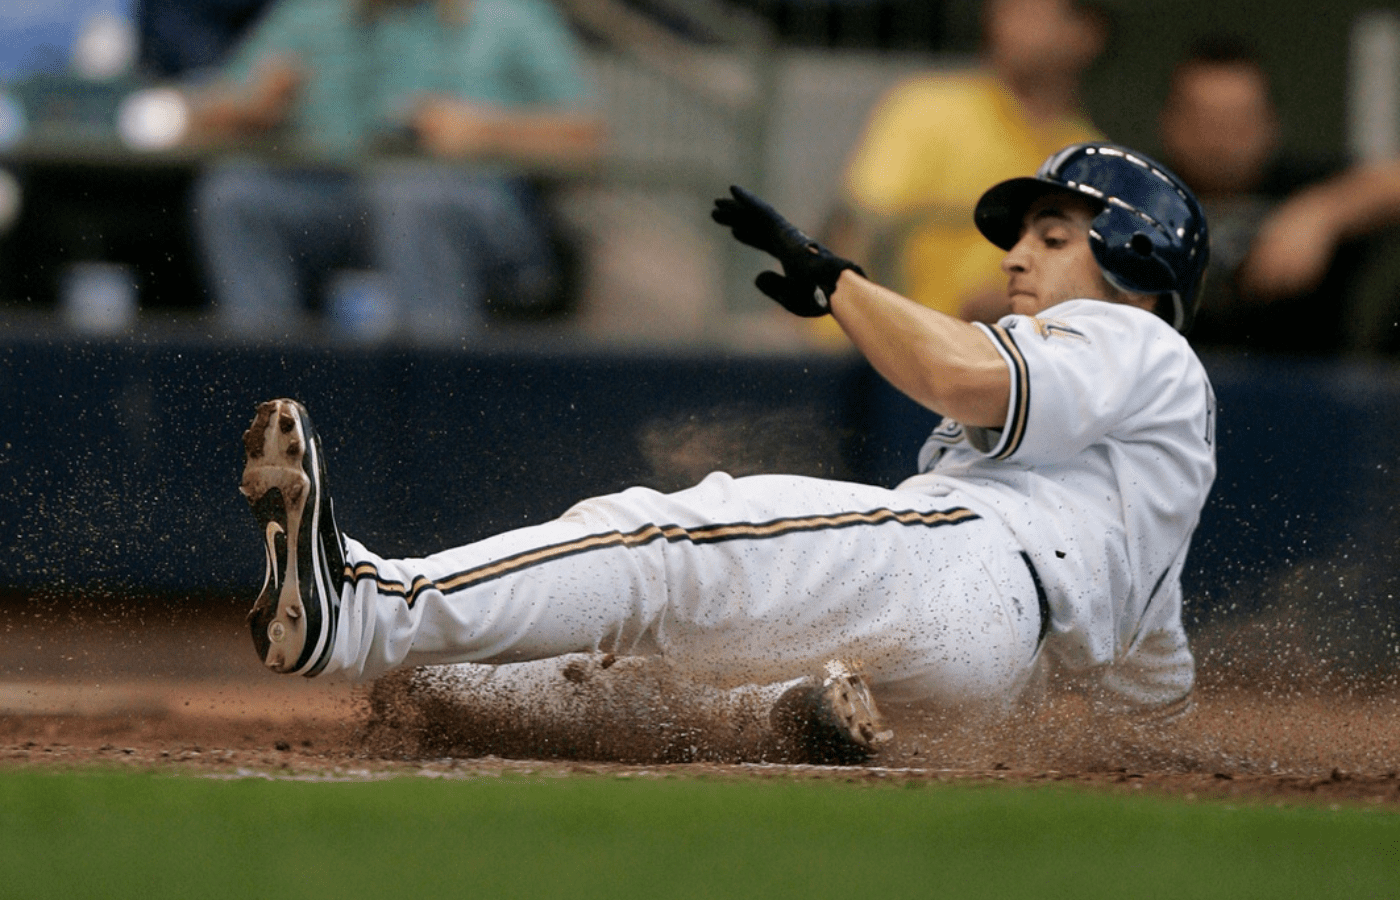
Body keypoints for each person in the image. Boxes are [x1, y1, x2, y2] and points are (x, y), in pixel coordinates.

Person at [238, 141, 1215, 763]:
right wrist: (1164, 758)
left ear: (1135, 262)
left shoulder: (1135, 340)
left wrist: (840, 285)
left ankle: (367, 609)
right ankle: (775, 717)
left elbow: (964, 380)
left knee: (661, 542)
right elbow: (1147, 682)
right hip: (984, 676)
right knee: (646, 686)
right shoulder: (1153, 446)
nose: (1015, 255)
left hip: (967, 562)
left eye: (1052, 236)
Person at [186, 0, 603, 343]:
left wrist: (490, 131)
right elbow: (201, 110)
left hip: (479, 211)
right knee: (235, 192)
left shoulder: (508, 14)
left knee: (410, 196)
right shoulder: (311, 13)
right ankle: (266, 398)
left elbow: (588, 137)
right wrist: (250, 111)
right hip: (338, 198)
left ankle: (437, 403)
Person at [823, 0, 1106, 340]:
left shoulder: (1092, 157)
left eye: (1032, 10)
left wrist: (1020, 305)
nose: (1008, 21)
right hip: (886, 356)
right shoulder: (925, 107)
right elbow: (856, 231)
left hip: (1012, 370)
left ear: (1087, 34)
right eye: (1004, 8)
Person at [1159, 37, 1400, 355]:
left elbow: (1389, 182)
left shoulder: (1305, 185)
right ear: (1168, 124)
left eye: (1238, 122)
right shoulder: (1141, 190)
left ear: (1271, 125)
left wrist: (1322, 213)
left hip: (1306, 395)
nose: (1218, 141)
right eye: (1203, 121)